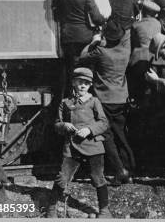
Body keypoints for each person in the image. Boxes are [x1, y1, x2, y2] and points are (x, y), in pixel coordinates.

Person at [47, 68, 111, 218]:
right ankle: (50, 209)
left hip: (93, 146)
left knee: (98, 178)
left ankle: (104, 210)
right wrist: (64, 126)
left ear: (90, 86)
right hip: (72, 147)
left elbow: (104, 122)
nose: (83, 86)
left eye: (86, 83)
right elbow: (57, 124)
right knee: (62, 178)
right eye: (80, 82)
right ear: (73, 83)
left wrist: (89, 130)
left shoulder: (94, 101)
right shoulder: (66, 103)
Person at [80, 22, 134, 184]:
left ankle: (119, 170)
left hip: (104, 99)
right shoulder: (125, 50)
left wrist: (93, 41)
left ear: (106, 36)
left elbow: (82, 57)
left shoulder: (100, 51)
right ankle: (129, 169)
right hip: (121, 98)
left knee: (105, 135)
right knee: (121, 134)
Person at [54, 0, 106, 95]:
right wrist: (102, 21)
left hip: (67, 38)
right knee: (87, 70)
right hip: (85, 38)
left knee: (71, 70)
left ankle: (72, 97)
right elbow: (96, 16)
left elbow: (57, 16)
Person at [128, 0, 162, 107]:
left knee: (137, 88)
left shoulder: (136, 25)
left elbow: (131, 43)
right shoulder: (158, 24)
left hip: (138, 58)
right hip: (154, 58)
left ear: (142, 11)